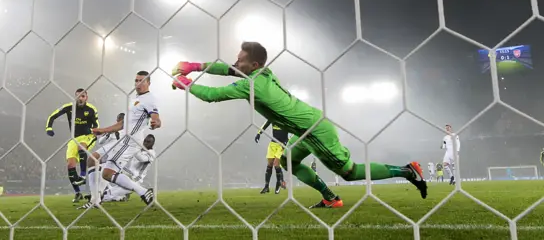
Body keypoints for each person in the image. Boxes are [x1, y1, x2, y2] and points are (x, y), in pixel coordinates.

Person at [171, 42, 427, 209]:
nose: (236, 63)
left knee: (350, 173)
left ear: (255, 65)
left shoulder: (252, 84)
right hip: (308, 126)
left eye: (241, 60)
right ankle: (330, 198)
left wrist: (186, 82)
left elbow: (212, 96)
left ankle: (407, 171)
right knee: (287, 161)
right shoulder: (263, 73)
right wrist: (196, 66)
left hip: (315, 132)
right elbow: (228, 69)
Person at [80, 71, 161, 208]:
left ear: (148, 83)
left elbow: (156, 118)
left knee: (107, 173)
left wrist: (156, 123)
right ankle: (95, 200)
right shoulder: (134, 99)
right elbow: (122, 124)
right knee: (92, 159)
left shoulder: (150, 99)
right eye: (136, 80)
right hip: (121, 140)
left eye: (141, 80)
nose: (138, 83)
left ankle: (142, 191)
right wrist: (102, 130)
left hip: (130, 142)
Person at [45, 88, 99, 202]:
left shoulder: (91, 109)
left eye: (83, 96)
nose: (80, 98)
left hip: (87, 136)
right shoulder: (69, 107)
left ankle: (83, 175)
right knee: (70, 165)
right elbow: (52, 116)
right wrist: (49, 127)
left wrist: (93, 131)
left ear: (86, 97)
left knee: (82, 146)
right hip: (74, 138)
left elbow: (97, 125)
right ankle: (77, 193)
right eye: (78, 96)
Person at [103, 134, 156, 202]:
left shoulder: (151, 153)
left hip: (136, 178)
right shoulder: (139, 150)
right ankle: (111, 193)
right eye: (145, 141)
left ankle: (103, 196)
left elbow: (142, 159)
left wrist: (134, 147)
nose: (145, 143)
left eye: (148, 142)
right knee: (107, 166)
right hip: (128, 174)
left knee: (111, 194)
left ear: (152, 143)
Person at [255, 121, 288, 194]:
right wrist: (258, 133)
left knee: (276, 164)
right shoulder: (272, 117)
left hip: (282, 145)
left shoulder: (285, 119)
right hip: (273, 144)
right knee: (269, 165)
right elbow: (265, 124)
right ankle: (266, 187)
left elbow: (293, 131)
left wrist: (286, 142)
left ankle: (279, 183)